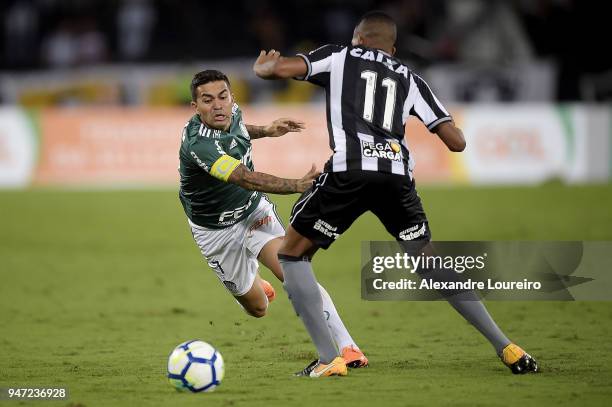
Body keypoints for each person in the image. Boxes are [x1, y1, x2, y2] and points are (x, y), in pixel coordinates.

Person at [253, 11, 538, 377]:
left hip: (351, 170)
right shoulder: (411, 78)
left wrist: (264, 67)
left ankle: (328, 360)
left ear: (359, 37)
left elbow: (280, 69)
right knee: (430, 262)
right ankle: (507, 347)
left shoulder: (341, 56)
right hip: (396, 177)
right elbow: (457, 142)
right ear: (394, 47)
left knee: (291, 255)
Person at [178, 69, 368, 370]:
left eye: (223, 97)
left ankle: (348, 347)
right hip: (215, 231)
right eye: (207, 100)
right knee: (258, 308)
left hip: (253, 213)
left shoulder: (233, 113)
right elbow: (246, 178)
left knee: (296, 273)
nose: (217, 105)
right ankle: (255, 279)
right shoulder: (198, 145)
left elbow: (239, 129)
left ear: (232, 97)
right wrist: (295, 185)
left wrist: (266, 130)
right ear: (195, 107)